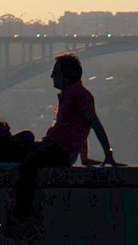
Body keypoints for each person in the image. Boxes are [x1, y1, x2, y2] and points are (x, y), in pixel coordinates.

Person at [7, 55, 116, 226]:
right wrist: (84, 157)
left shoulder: (78, 94)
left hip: (59, 151)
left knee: (28, 162)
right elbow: (80, 127)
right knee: (23, 140)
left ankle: (21, 215)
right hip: (55, 148)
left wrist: (108, 153)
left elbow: (93, 123)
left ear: (66, 74)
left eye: (55, 72)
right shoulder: (71, 94)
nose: (52, 76)